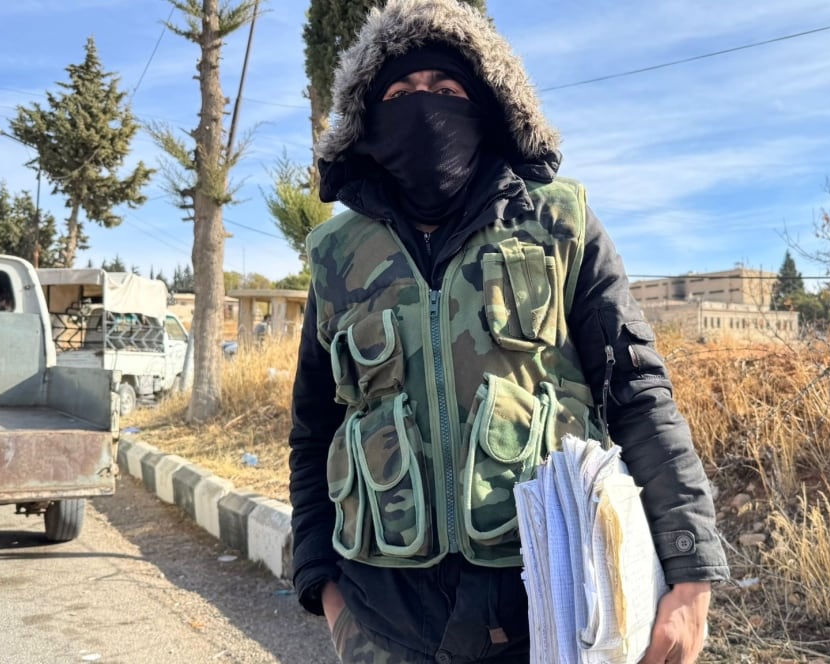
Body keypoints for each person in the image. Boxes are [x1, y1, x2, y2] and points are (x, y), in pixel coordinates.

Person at [288, 1, 729, 662]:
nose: (422, 106)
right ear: (370, 118)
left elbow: (637, 391)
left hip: (549, 610)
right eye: (401, 92)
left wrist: (690, 574)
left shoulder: (561, 223)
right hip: (381, 621)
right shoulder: (335, 256)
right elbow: (312, 429)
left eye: (444, 89)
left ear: (488, 104)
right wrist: (324, 588)